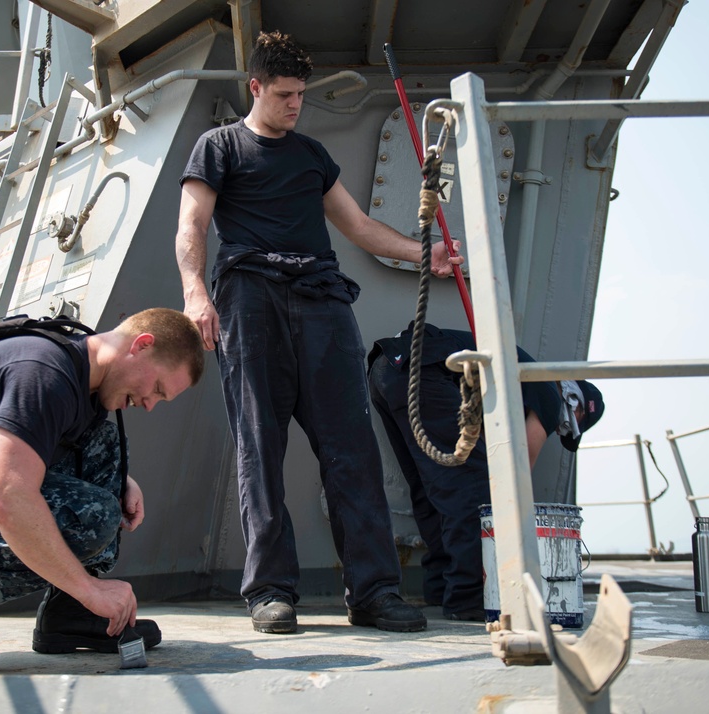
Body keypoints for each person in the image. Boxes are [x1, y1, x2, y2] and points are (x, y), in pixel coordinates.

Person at [174, 30, 461, 635]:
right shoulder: (219, 146)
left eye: (300, 95)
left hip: (323, 302)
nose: (295, 105)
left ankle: (375, 591)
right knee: (261, 445)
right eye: (283, 95)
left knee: (351, 448)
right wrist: (195, 293)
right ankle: (271, 592)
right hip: (250, 297)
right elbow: (192, 225)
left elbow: (357, 225)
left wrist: (423, 253)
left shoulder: (310, 155)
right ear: (255, 87)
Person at [0, 308, 205, 670]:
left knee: (107, 445)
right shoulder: (44, 373)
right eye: (156, 389)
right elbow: (8, 498)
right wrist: (91, 592)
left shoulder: (86, 380)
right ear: (141, 345)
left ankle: (67, 613)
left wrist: (123, 478)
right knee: (92, 516)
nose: (150, 405)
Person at [367, 322, 604, 621]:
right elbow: (517, 477)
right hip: (425, 369)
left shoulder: (525, 380)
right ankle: (467, 599)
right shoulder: (551, 393)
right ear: (577, 409)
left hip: (388, 368)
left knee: (431, 491)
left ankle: (440, 587)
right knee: (473, 490)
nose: (558, 430)